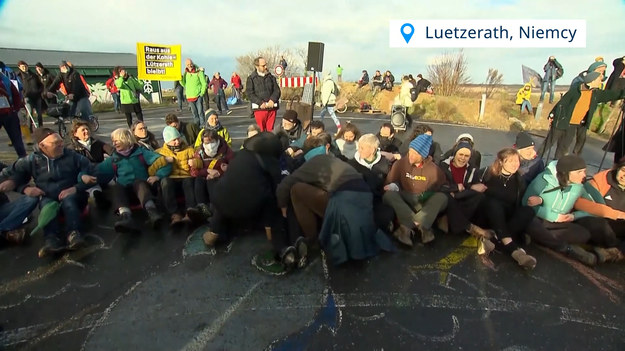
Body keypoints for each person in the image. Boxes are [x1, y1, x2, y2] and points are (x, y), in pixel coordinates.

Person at [276, 133, 394, 266]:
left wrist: (283, 206)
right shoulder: (336, 161)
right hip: (364, 203)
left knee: (297, 189)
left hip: (344, 204)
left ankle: (311, 239)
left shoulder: (313, 162)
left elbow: (286, 184)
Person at [202, 133, 295, 270]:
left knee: (226, 202)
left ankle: (214, 232)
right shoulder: (270, 162)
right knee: (271, 203)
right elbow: (278, 188)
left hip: (220, 201)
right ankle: (280, 247)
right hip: (249, 205)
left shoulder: (240, 155)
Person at [2, 128, 94, 257]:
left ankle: (74, 234)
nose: (61, 145)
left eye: (61, 141)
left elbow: (91, 170)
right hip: (48, 196)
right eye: (56, 143)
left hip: (74, 195)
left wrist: (77, 187)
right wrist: (25, 189)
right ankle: (51, 239)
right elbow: (11, 174)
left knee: (69, 201)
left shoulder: (72, 156)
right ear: (42, 146)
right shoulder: (32, 160)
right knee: (46, 205)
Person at [523, 155, 611, 266]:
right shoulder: (544, 179)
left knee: (584, 234)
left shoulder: (579, 185)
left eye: (584, 171)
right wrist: (554, 217)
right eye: (579, 172)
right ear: (566, 172)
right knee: (530, 223)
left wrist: (575, 215)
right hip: (540, 218)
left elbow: (599, 205)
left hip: (561, 224)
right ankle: (566, 248)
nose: (584, 175)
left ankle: (540, 237)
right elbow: (526, 203)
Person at [471, 148, 537, 268]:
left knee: (528, 211)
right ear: (501, 161)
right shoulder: (487, 173)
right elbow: (470, 188)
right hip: (486, 215)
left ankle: (495, 240)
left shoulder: (519, 179)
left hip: (504, 219)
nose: (515, 164)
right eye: (510, 161)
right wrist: (472, 187)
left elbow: (518, 204)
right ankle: (513, 250)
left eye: (517, 161)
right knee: (494, 204)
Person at [96, 128, 171, 233]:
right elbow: (96, 173)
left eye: (117, 140)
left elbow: (164, 162)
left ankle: (152, 212)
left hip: (144, 191)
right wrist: (83, 178)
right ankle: (125, 216)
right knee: (117, 187)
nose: (114, 143)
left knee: (139, 183)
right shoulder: (114, 159)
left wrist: (158, 176)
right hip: (126, 194)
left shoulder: (142, 153)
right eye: (113, 141)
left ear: (126, 139)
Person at [538, 71, 625, 160]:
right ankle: (533, 162)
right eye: (599, 80)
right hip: (561, 122)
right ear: (592, 80)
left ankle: (556, 168)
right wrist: (552, 115)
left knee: (563, 148)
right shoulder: (575, 91)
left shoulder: (595, 94)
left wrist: (623, 93)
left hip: (573, 125)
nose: (601, 82)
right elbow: (561, 103)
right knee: (548, 144)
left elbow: (612, 95)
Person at [383, 134, 448, 246]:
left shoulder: (434, 170)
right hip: (405, 198)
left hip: (423, 201)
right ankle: (421, 226)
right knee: (388, 195)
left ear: (423, 156)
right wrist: (391, 186)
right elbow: (389, 182)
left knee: (442, 198)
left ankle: (407, 227)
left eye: (416, 153)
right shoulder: (400, 164)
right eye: (410, 151)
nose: (411, 156)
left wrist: (427, 196)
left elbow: (442, 187)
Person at [438, 141, 495, 254]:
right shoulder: (443, 166)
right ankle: (471, 228)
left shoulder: (473, 169)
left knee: (479, 196)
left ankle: (455, 223)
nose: (463, 158)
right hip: (447, 200)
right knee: (447, 197)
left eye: (466, 156)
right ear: (455, 154)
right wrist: (457, 188)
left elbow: (476, 188)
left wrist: (462, 189)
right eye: (460, 154)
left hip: (461, 200)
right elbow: (440, 186)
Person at [348, 134, 395, 235]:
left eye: (362, 148)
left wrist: (391, 186)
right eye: (359, 147)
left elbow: (391, 181)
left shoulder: (385, 164)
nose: (359, 150)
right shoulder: (352, 164)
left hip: (378, 200)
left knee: (386, 215)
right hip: (358, 201)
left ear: (373, 149)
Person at [157, 126, 204, 227]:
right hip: (171, 177)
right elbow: (152, 168)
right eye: (173, 140)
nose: (177, 142)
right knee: (165, 182)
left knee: (188, 181)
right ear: (167, 141)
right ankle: (174, 214)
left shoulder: (189, 149)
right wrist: (164, 160)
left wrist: (195, 163)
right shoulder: (160, 152)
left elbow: (200, 162)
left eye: (178, 138)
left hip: (185, 176)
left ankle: (189, 211)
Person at [583, 159, 625, 262]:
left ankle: (612, 252)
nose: (624, 176)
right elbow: (583, 203)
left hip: (621, 227)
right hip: (601, 224)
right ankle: (617, 250)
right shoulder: (603, 179)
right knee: (593, 223)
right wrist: (615, 214)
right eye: (623, 170)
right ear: (618, 168)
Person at [191, 128, 234, 218]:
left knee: (212, 181)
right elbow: (194, 171)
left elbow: (234, 166)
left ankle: (215, 209)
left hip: (220, 178)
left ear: (217, 140)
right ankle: (201, 207)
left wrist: (220, 172)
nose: (210, 146)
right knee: (198, 181)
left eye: (212, 142)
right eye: (206, 143)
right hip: (204, 177)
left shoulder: (226, 150)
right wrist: (207, 171)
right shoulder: (199, 152)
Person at [0, 161, 39, 245]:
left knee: (31, 199)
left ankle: (4, 230)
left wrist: (13, 182)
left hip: (2, 209)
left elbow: (18, 172)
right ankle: (8, 233)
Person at [247, 57, 281, 132]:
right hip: (259, 109)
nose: (266, 67)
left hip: (272, 108)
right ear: (257, 66)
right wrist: (260, 103)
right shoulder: (251, 79)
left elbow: (277, 90)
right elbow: (250, 93)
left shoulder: (271, 77)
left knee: (270, 131)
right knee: (261, 131)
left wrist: (272, 100)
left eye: (266, 65)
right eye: (263, 66)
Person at [0, 71, 27, 158]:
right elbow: (16, 95)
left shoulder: (6, 80)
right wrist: (16, 109)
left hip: (9, 112)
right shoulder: (6, 80)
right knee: (16, 138)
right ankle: (22, 157)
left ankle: (22, 156)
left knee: (16, 137)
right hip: (10, 112)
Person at [17, 61, 44, 128]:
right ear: (19, 67)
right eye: (22, 67)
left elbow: (41, 85)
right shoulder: (18, 76)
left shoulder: (34, 75)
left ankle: (41, 127)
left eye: (25, 66)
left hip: (37, 96)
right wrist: (23, 94)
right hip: (27, 97)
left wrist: (39, 91)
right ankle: (30, 128)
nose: (24, 68)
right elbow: (17, 87)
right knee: (30, 113)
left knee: (39, 113)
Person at [181, 58, 207, 127]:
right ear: (186, 65)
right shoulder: (186, 73)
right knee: (194, 113)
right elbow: (184, 84)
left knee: (200, 112)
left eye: (191, 64)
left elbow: (204, 83)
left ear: (193, 63)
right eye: (188, 64)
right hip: (190, 96)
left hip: (198, 96)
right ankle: (196, 126)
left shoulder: (199, 72)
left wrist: (202, 93)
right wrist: (180, 79)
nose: (190, 66)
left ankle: (202, 126)